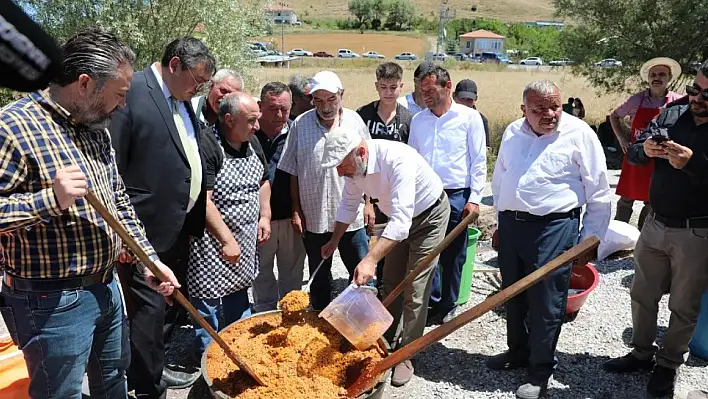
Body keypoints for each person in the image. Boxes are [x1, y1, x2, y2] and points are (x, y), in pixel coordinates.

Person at [0, 27, 179, 399]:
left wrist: (149, 259)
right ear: (85, 84)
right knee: (59, 393)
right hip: (50, 301)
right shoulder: (12, 127)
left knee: (114, 381)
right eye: (119, 95)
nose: (124, 106)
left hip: (107, 286)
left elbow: (118, 201)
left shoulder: (96, 129)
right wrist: (50, 200)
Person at [490, 79, 612, 399]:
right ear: (523, 110)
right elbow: (501, 177)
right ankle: (517, 351)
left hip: (555, 228)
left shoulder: (580, 134)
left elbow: (599, 193)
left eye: (555, 106)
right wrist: (500, 223)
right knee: (513, 293)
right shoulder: (513, 132)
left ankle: (540, 369)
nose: (550, 114)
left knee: (547, 301)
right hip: (512, 224)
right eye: (539, 109)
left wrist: (591, 239)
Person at [110, 36, 216, 395]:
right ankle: (146, 388)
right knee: (147, 314)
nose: (199, 88)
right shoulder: (132, 91)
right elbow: (111, 167)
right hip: (143, 231)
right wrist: (123, 238)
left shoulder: (182, 98)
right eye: (197, 80)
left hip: (177, 227)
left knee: (166, 311)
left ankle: (157, 367)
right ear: (174, 65)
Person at [602, 61, 708, 398]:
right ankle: (641, 353)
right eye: (694, 89)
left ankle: (667, 366)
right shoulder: (672, 113)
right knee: (642, 294)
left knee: (684, 304)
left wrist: (691, 163)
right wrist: (644, 150)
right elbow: (633, 152)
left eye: (706, 94)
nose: (697, 98)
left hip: (696, 233)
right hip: (654, 223)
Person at [320, 127, 450, 387]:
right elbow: (348, 204)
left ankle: (406, 354)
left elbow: (401, 224)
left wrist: (370, 259)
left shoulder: (396, 159)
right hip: (399, 219)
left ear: (361, 152)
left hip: (429, 216)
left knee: (415, 287)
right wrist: (334, 240)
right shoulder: (355, 167)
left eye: (341, 165)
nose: (339, 172)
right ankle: (386, 337)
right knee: (390, 281)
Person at [277, 70, 371, 311]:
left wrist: (369, 203)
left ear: (341, 95)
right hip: (314, 214)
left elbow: (368, 165)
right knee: (318, 277)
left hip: (352, 216)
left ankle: (361, 318)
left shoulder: (354, 121)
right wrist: (296, 210)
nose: (325, 106)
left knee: (360, 272)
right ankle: (320, 321)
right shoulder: (300, 124)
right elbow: (292, 170)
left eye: (331, 99)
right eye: (318, 100)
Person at [188, 92, 271, 360]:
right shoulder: (209, 146)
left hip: (245, 239)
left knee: (238, 294)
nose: (257, 126)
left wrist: (265, 216)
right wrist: (226, 239)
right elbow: (204, 201)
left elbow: (264, 181)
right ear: (228, 119)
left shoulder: (252, 142)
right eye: (250, 121)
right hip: (211, 245)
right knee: (208, 303)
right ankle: (210, 359)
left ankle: (240, 351)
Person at [408, 64, 486, 325]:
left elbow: (478, 160)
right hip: (426, 196)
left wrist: (474, 198)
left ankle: (448, 306)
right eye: (422, 91)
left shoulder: (469, 118)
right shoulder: (418, 121)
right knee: (427, 250)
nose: (426, 96)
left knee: (454, 254)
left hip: (456, 195)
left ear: (448, 86)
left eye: (431, 90)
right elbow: (412, 160)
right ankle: (433, 300)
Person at [356, 61, 414, 288]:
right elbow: (358, 162)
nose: (388, 92)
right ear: (376, 86)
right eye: (383, 87)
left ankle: (391, 289)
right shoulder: (364, 115)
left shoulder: (409, 119)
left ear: (401, 86)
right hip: (371, 191)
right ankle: (372, 288)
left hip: (398, 192)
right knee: (373, 243)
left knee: (397, 243)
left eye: (393, 87)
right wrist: (367, 202)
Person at [611, 57, 683, 231]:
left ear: (669, 78)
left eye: (661, 74)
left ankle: (642, 236)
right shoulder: (637, 100)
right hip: (636, 156)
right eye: (653, 75)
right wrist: (621, 138)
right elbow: (614, 116)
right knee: (626, 198)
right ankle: (615, 235)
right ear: (648, 78)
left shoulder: (678, 101)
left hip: (660, 159)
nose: (657, 78)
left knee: (652, 200)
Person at [253, 82, 307, 312]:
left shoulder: (298, 132)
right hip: (257, 220)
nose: (279, 115)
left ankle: (290, 319)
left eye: (284, 109)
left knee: (293, 274)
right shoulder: (247, 134)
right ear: (260, 106)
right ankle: (263, 319)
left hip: (290, 218)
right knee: (261, 274)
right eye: (273, 108)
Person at [453, 79, 491, 148]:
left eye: (469, 100)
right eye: (462, 99)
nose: (465, 103)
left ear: (475, 99)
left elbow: (486, 148)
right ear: (454, 96)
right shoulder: (445, 117)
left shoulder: (481, 120)